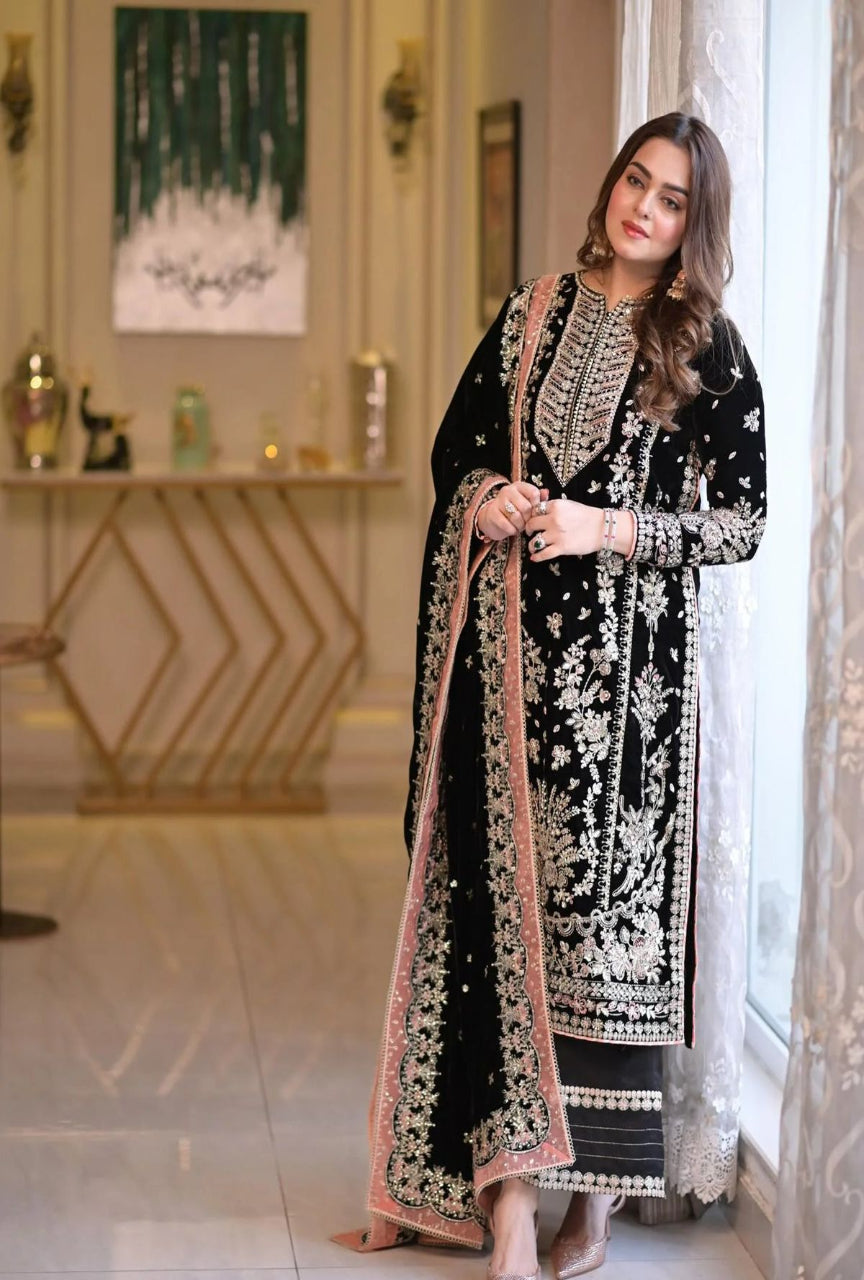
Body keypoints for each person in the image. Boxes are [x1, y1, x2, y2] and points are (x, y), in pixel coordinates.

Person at [335, 112, 767, 1279]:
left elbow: (742, 522)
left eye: (673, 199)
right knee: (500, 923)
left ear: (695, 224)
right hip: (506, 680)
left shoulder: (706, 345)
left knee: (602, 946)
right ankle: (512, 1197)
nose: (644, 209)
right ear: (613, 182)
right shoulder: (531, 312)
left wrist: (604, 526)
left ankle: (598, 1198)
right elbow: (457, 454)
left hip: (631, 709)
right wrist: (490, 501)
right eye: (637, 181)